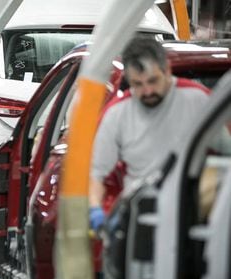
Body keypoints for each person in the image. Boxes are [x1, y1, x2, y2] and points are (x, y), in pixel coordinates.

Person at [89, 37, 211, 227]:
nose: (147, 91)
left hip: (192, 215)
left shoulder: (197, 100)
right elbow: (95, 174)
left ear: (167, 70)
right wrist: (96, 210)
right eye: (137, 84)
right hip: (140, 218)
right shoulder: (117, 114)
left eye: (153, 81)